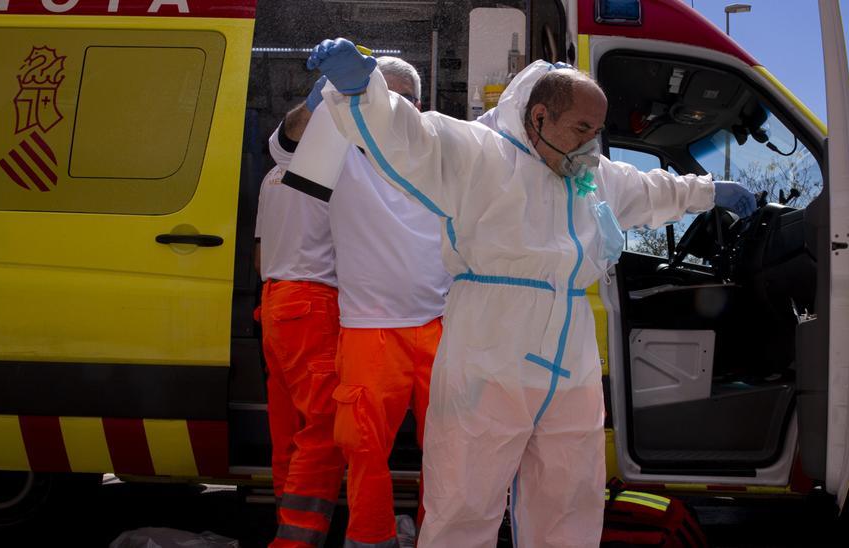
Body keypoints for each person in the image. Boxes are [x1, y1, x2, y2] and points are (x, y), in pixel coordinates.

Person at [307, 38, 757, 547]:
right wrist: (362, 89)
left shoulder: (589, 172)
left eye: (598, 131)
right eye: (582, 129)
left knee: (569, 498)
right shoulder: (478, 153)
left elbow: (651, 189)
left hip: (570, 360)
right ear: (539, 116)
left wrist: (707, 192)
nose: (593, 144)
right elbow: (411, 136)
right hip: (489, 351)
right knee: (464, 501)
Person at [269, 57, 451, 548]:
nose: (380, 110)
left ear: (416, 106)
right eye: (367, 99)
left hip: (439, 327)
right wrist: (322, 101)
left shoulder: (442, 150)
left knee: (449, 451)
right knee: (364, 451)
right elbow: (286, 146)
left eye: (390, 100)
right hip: (369, 331)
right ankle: (371, 540)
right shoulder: (340, 155)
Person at [256, 89, 346, 547]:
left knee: (288, 428)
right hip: (312, 304)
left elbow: (259, 256)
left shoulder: (273, 175)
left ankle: (287, 525)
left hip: (275, 303)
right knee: (325, 427)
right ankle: (296, 540)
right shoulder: (331, 172)